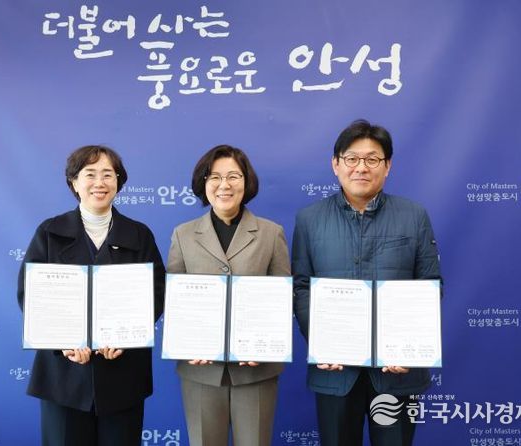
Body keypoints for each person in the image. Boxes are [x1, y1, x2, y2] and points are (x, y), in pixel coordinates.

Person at [292, 120, 442, 446]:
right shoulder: (309, 220)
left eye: (372, 159)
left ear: (387, 166)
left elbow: (429, 285)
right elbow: (301, 287)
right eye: (351, 158)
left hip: (397, 373)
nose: (361, 167)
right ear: (336, 164)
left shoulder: (413, 216)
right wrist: (320, 340)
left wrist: (408, 343)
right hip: (335, 371)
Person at [17, 145, 165, 446]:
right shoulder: (50, 232)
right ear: (74, 182)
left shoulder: (139, 235)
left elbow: (157, 292)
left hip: (123, 375)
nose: (100, 182)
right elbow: (30, 294)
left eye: (108, 174)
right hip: (64, 378)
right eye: (90, 174)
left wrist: (126, 336)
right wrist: (63, 342)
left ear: (118, 182)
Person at [167, 144, 291, 446]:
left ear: (246, 182)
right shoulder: (183, 234)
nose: (224, 185)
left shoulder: (271, 233)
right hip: (201, 370)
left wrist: (264, 344)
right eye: (215, 177)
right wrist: (186, 341)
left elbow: (281, 299)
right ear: (203, 184)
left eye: (233, 176)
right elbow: (174, 299)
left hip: (256, 369)